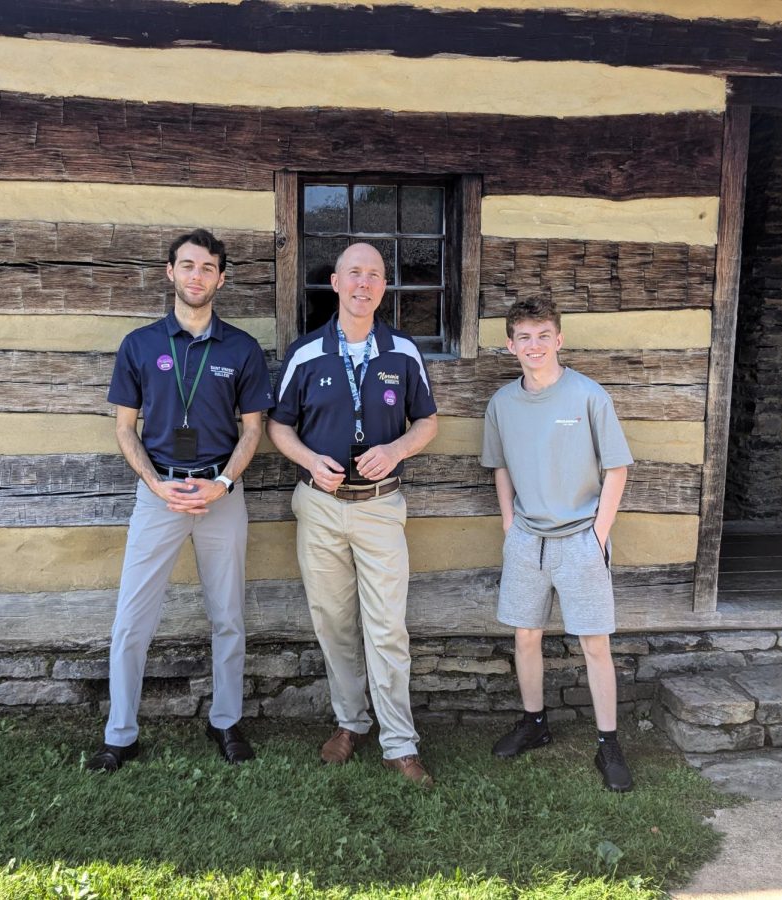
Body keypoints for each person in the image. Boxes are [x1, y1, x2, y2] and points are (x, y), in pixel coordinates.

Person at [87, 229, 273, 772]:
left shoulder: (241, 348)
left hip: (220, 493)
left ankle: (227, 722)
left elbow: (253, 429)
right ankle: (120, 733)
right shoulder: (140, 345)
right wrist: (154, 483)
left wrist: (223, 484)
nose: (197, 275)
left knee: (228, 616)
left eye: (208, 267)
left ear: (221, 277)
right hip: (158, 494)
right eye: (187, 265)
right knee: (131, 620)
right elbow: (125, 429)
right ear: (169, 272)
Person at [267, 243, 438, 785]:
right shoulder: (306, 352)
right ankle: (350, 723)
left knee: (387, 628)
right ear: (336, 283)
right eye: (354, 274)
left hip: (380, 507)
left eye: (375, 276)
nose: (364, 284)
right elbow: (279, 426)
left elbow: (427, 423)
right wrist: (309, 459)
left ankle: (399, 743)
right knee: (335, 624)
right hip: (319, 508)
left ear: (383, 287)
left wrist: (397, 450)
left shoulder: (403, 353)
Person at [480, 296, 635, 792]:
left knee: (594, 643)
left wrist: (598, 535)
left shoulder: (588, 396)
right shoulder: (502, 403)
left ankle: (608, 744)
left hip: (579, 539)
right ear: (510, 346)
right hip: (527, 539)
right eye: (524, 337)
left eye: (543, 335)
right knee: (526, 636)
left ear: (559, 339)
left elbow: (617, 467)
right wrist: (508, 522)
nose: (534, 345)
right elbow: (500, 465)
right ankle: (534, 723)